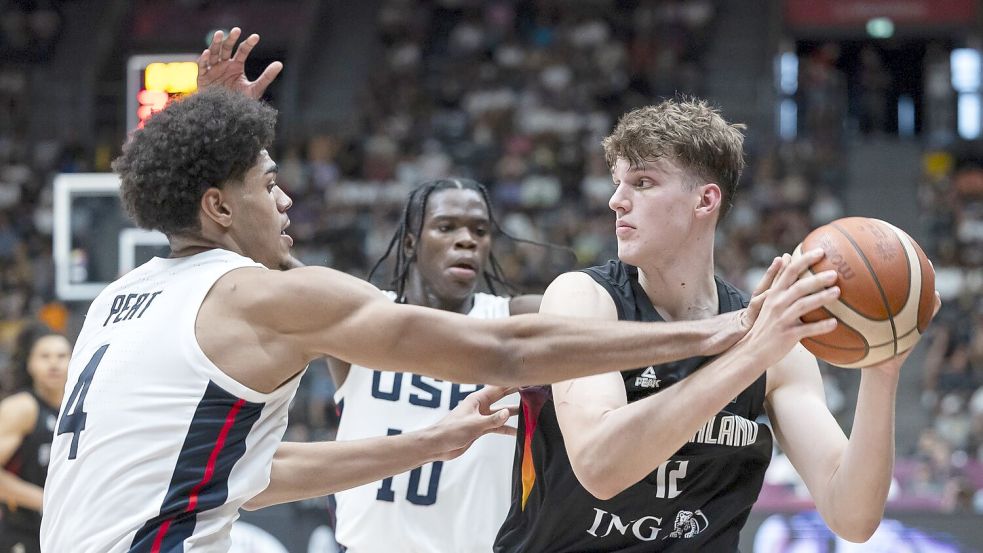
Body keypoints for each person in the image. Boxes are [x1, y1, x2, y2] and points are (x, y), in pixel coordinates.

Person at [38, 86, 835, 552]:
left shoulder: (120, 298)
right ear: (216, 204)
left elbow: (249, 476)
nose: (286, 199)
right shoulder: (267, 297)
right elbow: (505, 349)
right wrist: (721, 332)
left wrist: (424, 442)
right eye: (265, 182)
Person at [494, 98, 942, 552]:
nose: (616, 200)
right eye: (617, 183)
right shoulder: (583, 298)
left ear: (705, 200)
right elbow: (600, 465)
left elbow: (853, 516)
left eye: (643, 182)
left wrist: (882, 370)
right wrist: (751, 355)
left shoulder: (778, 345)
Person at [329, 178, 541, 552]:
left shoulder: (512, 321)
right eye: (447, 227)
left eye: (480, 230)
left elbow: (600, 311)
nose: (467, 240)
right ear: (411, 242)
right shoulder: (361, 317)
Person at [0, 324, 71, 553]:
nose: (54, 363)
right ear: (29, 363)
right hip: (23, 529)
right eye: (44, 356)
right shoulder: (22, 407)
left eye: (61, 356)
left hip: (67, 529)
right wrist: (46, 500)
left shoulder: (80, 406)